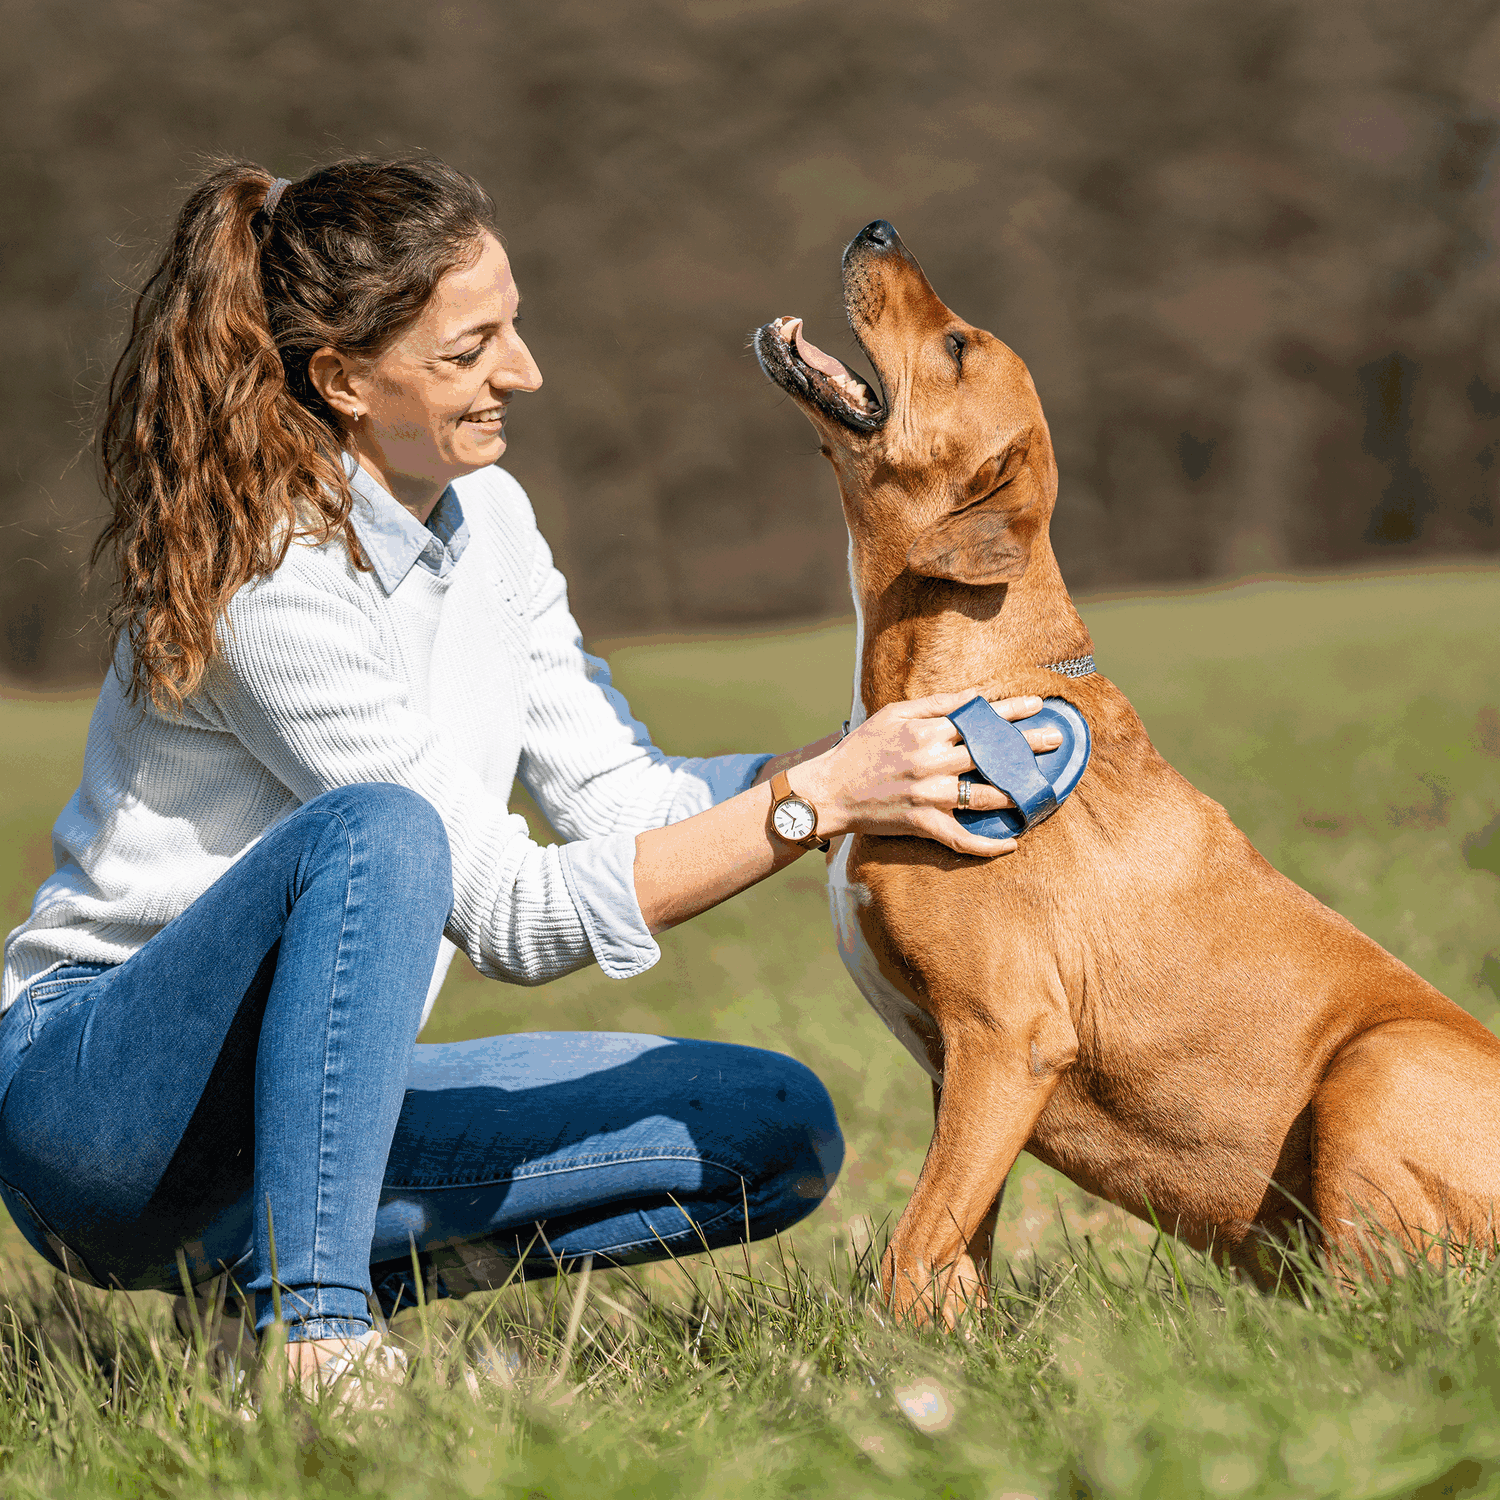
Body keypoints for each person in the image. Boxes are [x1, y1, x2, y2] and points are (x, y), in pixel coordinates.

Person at [0, 156, 1056, 1390]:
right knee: (382, 834)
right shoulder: (269, 573)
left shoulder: (487, 513)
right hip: (104, 1118)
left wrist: (858, 762)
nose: (524, 371)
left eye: (514, 324)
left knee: (770, 1133)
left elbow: (619, 796)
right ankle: (317, 1335)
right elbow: (502, 908)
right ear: (343, 380)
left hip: (315, 1092)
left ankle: (249, 1296)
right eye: (470, 350)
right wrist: (818, 803)